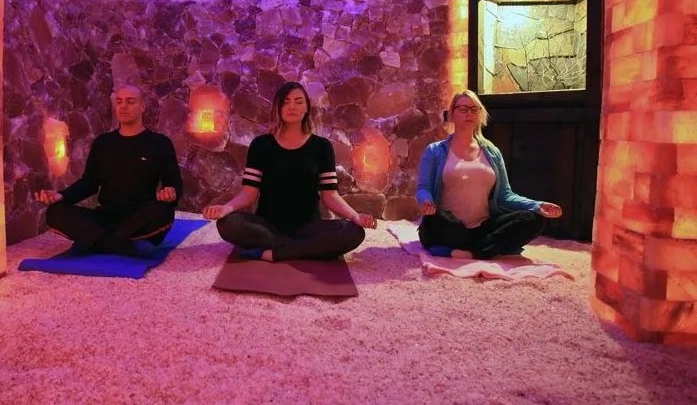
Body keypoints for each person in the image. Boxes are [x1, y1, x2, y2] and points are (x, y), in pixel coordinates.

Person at [203, 81, 375, 262]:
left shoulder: (321, 147)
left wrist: (355, 216)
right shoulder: (261, 145)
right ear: (277, 107)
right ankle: (303, 249)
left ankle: (276, 253)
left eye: (298, 101)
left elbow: (330, 195)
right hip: (267, 227)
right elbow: (249, 193)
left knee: (354, 232)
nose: (292, 106)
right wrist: (226, 208)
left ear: (307, 107)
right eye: (285, 102)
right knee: (228, 224)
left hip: (309, 227)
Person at [34, 85, 183, 256]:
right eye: (119, 101)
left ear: (142, 106)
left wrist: (170, 192)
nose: (123, 106)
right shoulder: (103, 143)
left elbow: (175, 185)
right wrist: (61, 195)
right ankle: (118, 243)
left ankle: (98, 241)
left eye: (130, 101)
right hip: (105, 217)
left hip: (139, 218)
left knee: (163, 212)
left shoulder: (159, 143)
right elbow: (89, 183)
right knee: (55, 212)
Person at [415, 90, 562, 259]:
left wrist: (537, 205)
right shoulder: (434, 151)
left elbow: (506, 195)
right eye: (463, 108)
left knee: (533, 219)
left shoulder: (492, 152)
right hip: (449, 226)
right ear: (452, 113)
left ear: (479, 114)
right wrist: (426, 202)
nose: (469, 113)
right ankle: (486, 248)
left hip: (482, 227)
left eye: (474, 109)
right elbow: (423, 188)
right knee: (433, 220)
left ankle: (471, 252)